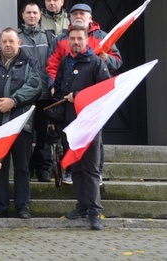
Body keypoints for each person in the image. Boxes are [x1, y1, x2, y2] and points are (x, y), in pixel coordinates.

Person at [46, 3, 122, 184]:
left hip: (92, 101)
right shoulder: (62, 38)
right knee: (69, 136)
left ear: (90, 17)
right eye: (75, 14)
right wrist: (53, 85)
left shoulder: (103, 37)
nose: (78, 16)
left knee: (95, 140)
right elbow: (53, 64)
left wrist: (107, 59)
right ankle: (72, 172)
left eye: (82, 13)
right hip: (67, 99)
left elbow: (118, 62)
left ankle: (97, 173)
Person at [0, 28, 42, 219]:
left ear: (19, 42)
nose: (8, 45)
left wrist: (14, 100)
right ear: (0, 43)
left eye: (11, 41)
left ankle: (22, 206)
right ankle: (0, 206)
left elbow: (35, 84)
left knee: (22, 167)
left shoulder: (30, 62)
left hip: (21, 124)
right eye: (4, 41)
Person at [51, 25, 111, 230]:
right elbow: (59, 90)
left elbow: (105, 92)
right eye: (72, 39)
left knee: (91, 168)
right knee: (75, 166)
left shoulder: (95, 62)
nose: (76, 42)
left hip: (90, 123)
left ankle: (95, 212)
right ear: (68, 41)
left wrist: (79, 97)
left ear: (87, 40)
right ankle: (82, 206)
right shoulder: (65, 62)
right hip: (69, 123)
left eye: (80, 38)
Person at [18, 2, 57, 182]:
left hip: (44, 95)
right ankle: (25, 168)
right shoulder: (16, 38)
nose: (32, 16)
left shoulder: (49, 37)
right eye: (28, 13)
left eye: (35, 13)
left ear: (40, 15)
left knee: (43, 134)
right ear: (23, 15)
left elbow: (54, 64)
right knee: (25, 134)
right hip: (24, 95)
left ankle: (42, 168)